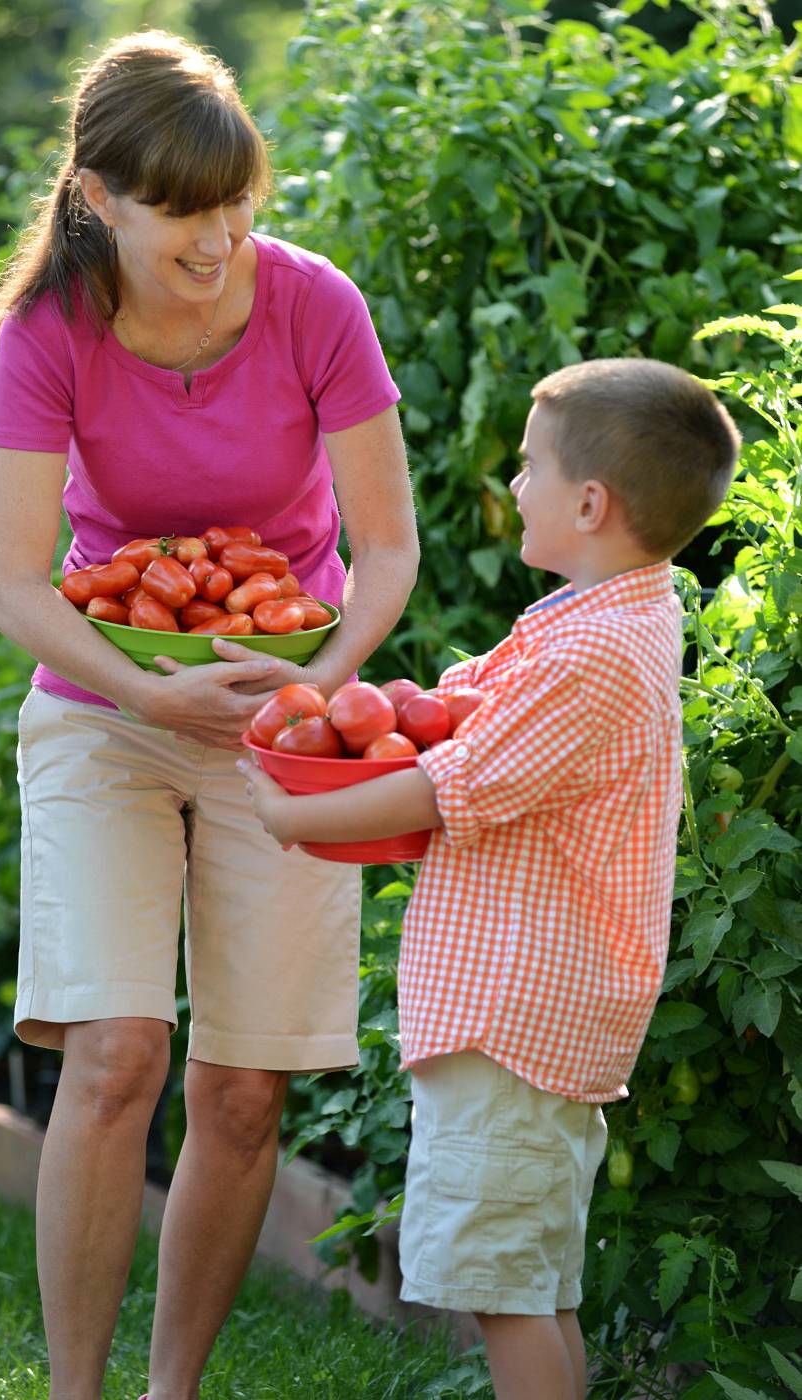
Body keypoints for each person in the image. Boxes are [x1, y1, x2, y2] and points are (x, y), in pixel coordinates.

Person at [0, 29, 418, 1400]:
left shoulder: (312, 306)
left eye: (238, 199)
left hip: (283, 713)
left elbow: (385, 549)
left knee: (240, 1088)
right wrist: (147, 688)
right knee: (116, 1055)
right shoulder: (53, 328)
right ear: (100, 198)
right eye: (185, 207)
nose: (222, 236)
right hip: (105, 703)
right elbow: (12, 574)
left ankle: (172, 1394)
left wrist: (313, 693)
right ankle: (76, 1391)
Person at [242, 358, 741, 1400]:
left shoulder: (593, 650)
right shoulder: (596, 619)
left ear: (589, 501)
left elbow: (441, 785)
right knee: (530, 1285)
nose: (512, 484)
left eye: (526, 466)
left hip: (511, 1020)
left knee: (504, 1292)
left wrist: (291, 810)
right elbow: (459, 721)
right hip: (526, 1015)